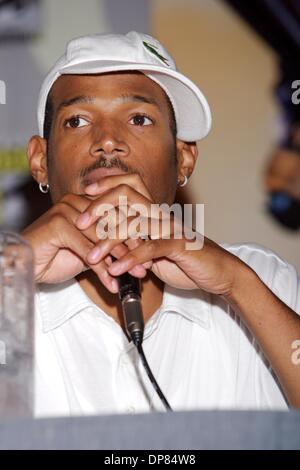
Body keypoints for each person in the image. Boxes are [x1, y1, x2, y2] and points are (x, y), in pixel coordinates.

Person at [22, 31, 300, 417]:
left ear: (184, 159)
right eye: (78, 120)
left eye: (139, 118)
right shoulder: (11, 290)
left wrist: (238, 285)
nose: (107, 141)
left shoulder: (261, 280)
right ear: (40, 161)